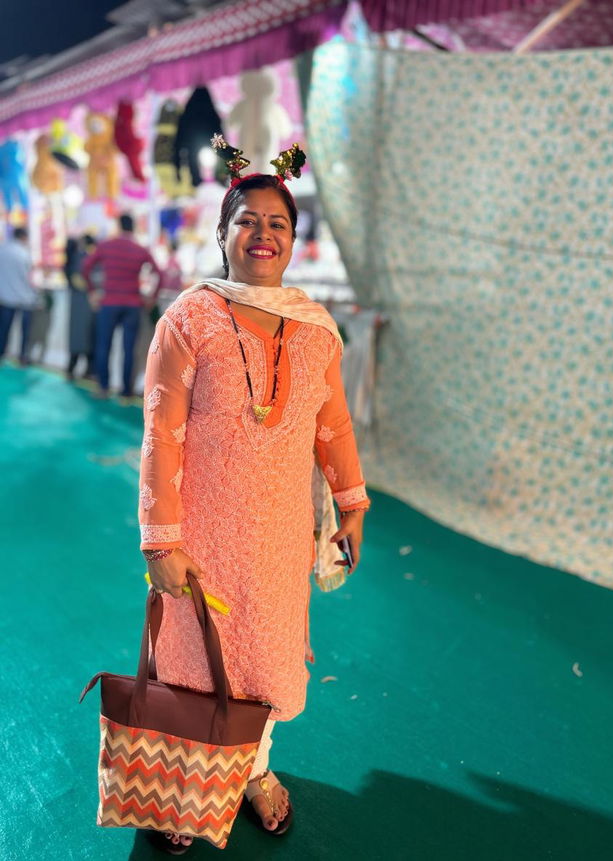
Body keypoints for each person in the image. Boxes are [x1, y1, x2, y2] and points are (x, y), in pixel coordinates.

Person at [138, 142, 369, 854]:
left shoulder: (315, 328)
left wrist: (352, 505)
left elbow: (332, 425)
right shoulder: (190, 317)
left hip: (278, 538)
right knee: (196, 663)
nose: (263, 233)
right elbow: (161, 432)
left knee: (263, 663)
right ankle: (187, 786)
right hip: (200, 533)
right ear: (222, 234)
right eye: (247, 220)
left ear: (294, 241)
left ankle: (253, 770)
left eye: (278, 223)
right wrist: (161, 540)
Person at [82, 213, 161, 398]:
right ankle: (126, 391)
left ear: (118, 226)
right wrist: (151, 297)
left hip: (109, 303)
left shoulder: (106, 246)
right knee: (129, 349)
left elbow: (86, 267)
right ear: (133, 227)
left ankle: (103, 387)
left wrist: (93, 291)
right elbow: (159, 273)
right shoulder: (140, 249)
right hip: (133, 304)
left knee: (104, 346)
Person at [0, 226, 38, 364]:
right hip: (25, 299)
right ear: (23, 237)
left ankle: (2, 353)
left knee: (4, 329)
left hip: (5, 298)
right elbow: (30, 277)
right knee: (25, 332)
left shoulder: (2, 250)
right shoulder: (24, 254)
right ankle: (23, 356)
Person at [64, 234, 97, 380]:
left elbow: (74, 278)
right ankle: (86, 370)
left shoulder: (80, 257)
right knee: (88, 336)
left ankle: (73, 368)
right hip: (87, 302)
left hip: (80, 302)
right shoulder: (90, 258)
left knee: (79, 335)